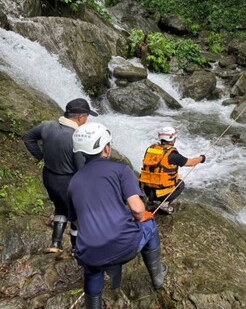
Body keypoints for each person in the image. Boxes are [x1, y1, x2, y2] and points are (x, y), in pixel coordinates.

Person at [68, 122, 167, 309]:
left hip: (90, 253)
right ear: (106, 149)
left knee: (92, 269)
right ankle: (157, 277)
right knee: (150, 225)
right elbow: (137, 210)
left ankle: (93, 305)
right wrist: (140, 218)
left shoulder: (74, 181)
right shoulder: (121, 170)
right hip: (124, 246)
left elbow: (77, 221)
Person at [22, 98, 98, 254]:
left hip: (49, 179)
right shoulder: (76, 138)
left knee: (60, 208)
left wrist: (40, 156)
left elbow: (28, 137)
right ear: (80, 118)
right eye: (87, 117)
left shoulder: (48, 126)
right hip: (67, 183)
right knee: (78, 214)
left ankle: (56, 243)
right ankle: (77, 248)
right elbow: (81, 169)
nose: (87, 120)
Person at [139, 126, 206, 215]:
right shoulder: (172, 155)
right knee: (180, 184)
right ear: (172, 140)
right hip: (161, 194)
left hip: (147, 190)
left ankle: (150, 201)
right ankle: (164, 204)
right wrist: (202, 158)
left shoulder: (150, 149)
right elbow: (192, 162)